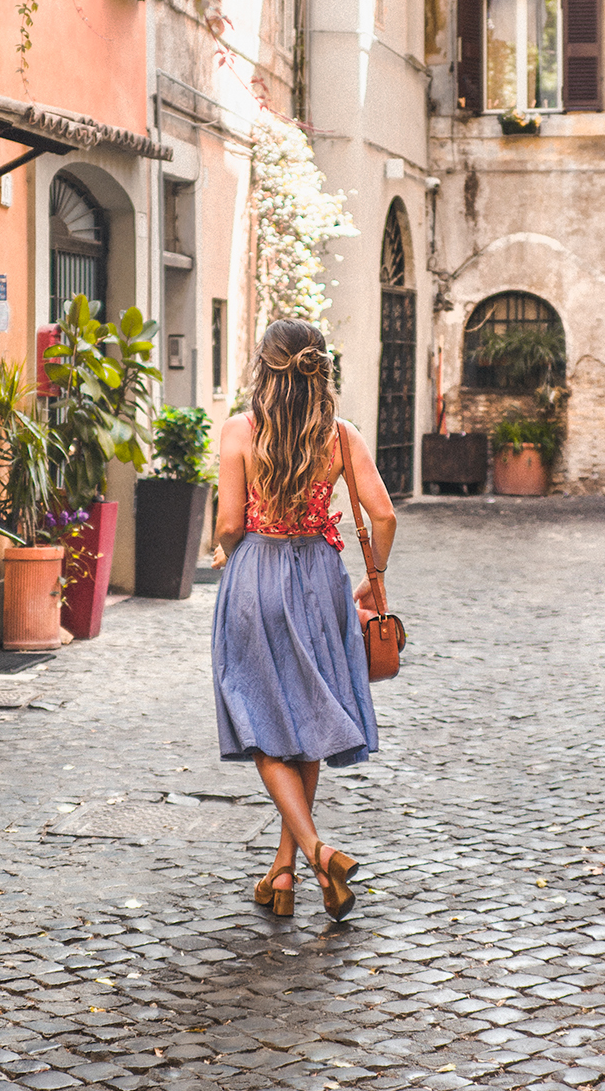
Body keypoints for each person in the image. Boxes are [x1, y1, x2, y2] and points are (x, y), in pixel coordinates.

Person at [210, 317, 397, 921]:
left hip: (257, 577)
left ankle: (308, 856)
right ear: (322, 369)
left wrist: (218, 549)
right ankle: (287, 870)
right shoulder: (343, 437)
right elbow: (384, 515)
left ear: (264, 368)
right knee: (310, 715)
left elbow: (232, 524)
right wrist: (375, 577)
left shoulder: (240, 431)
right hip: (321, 578)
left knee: (262, 718)